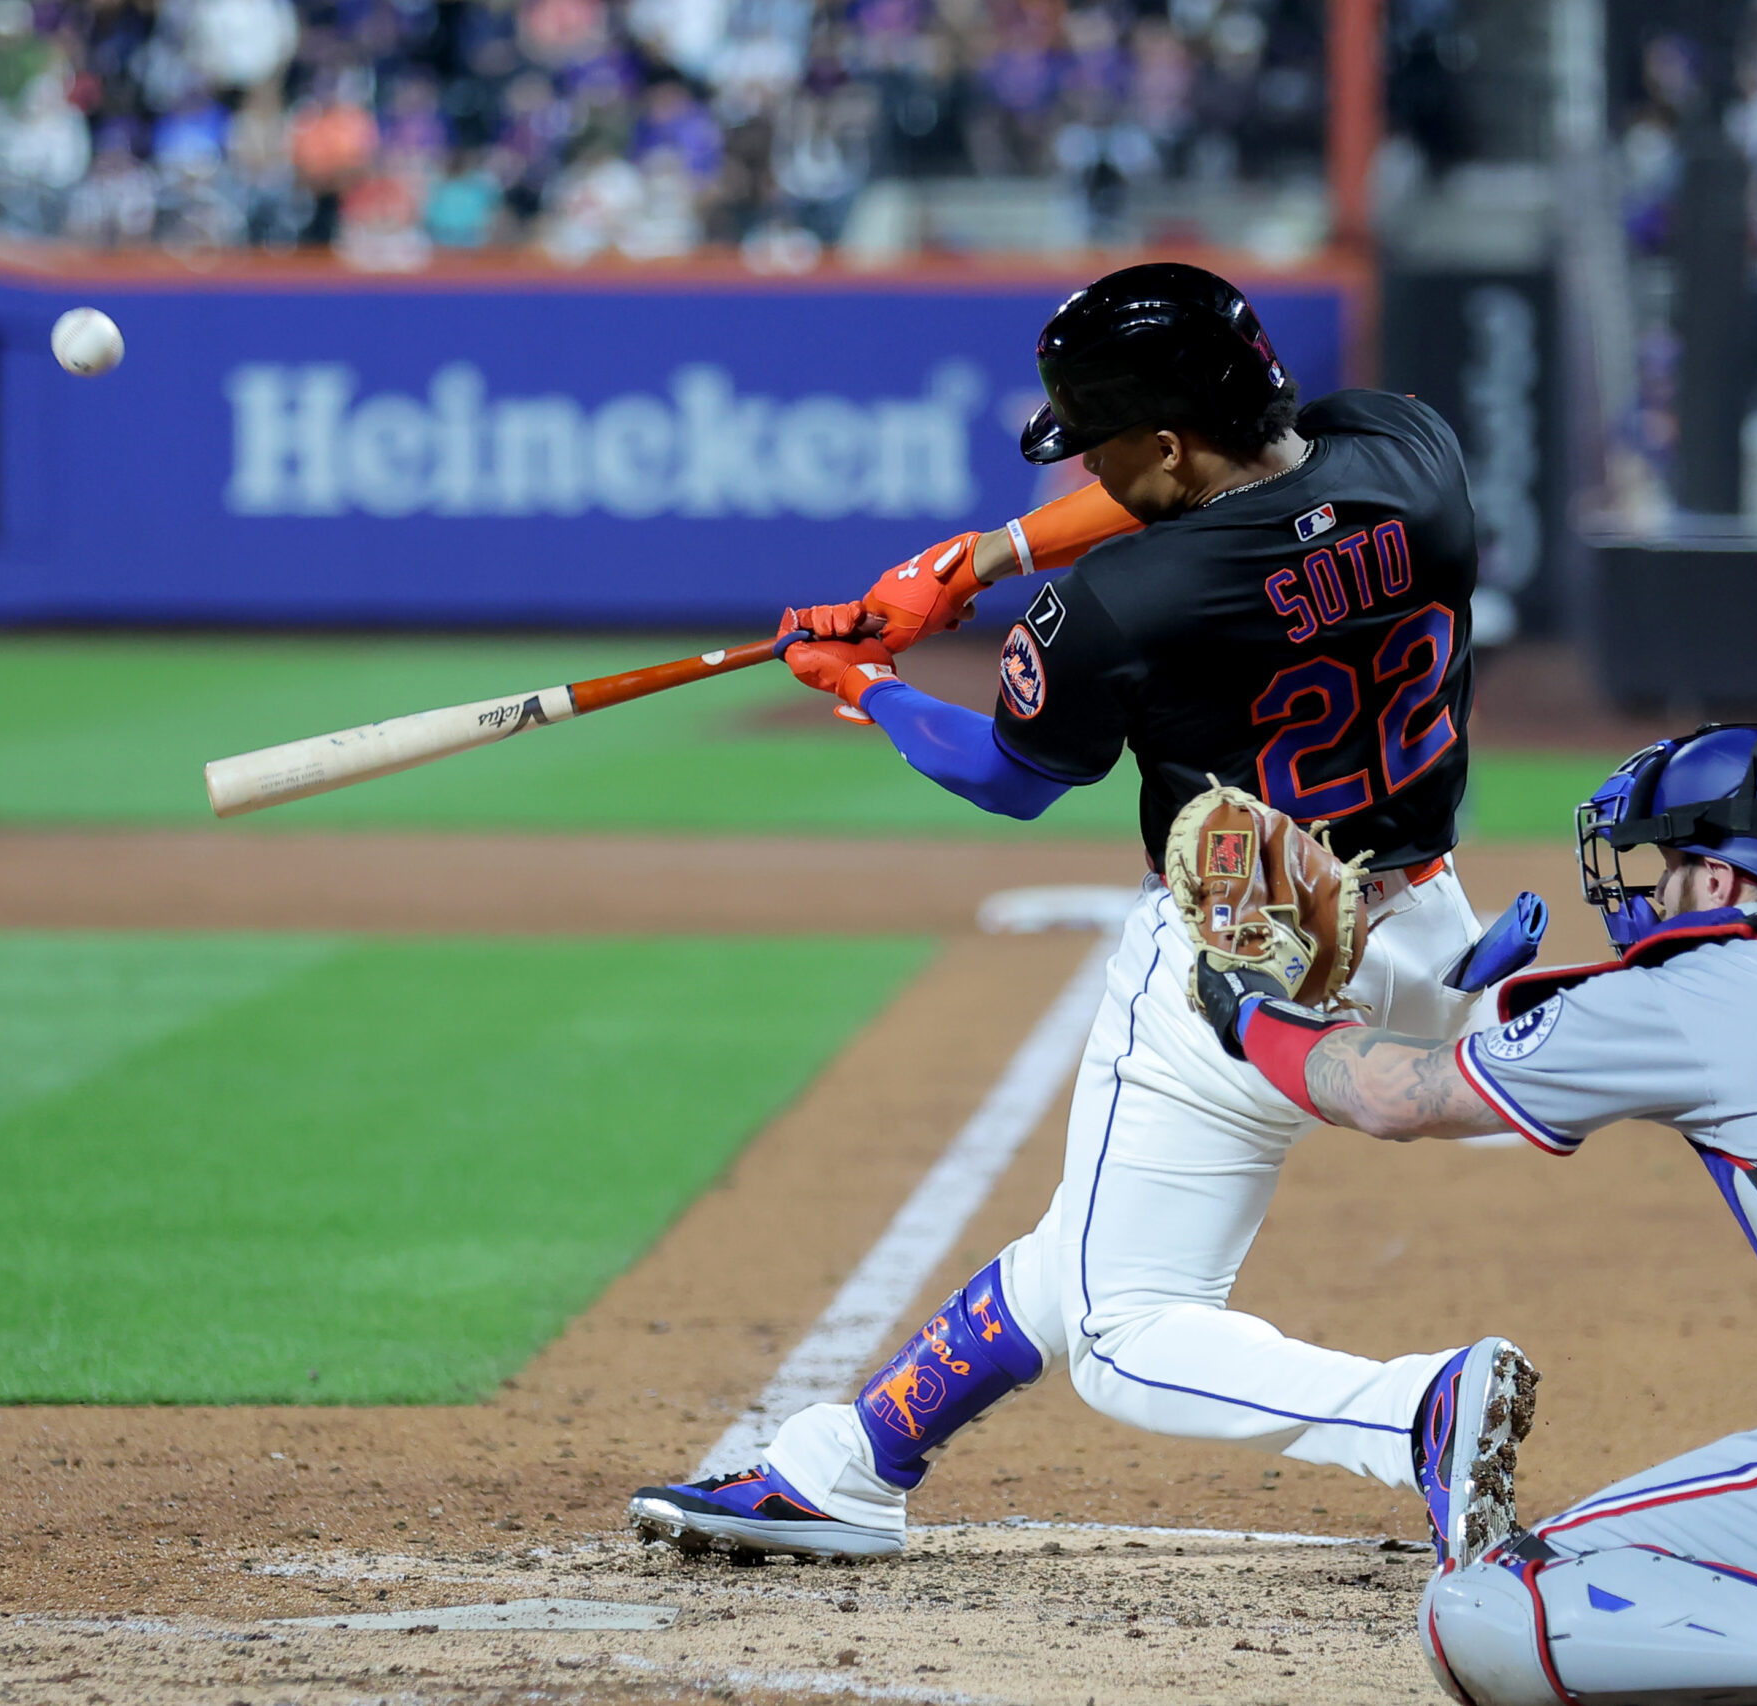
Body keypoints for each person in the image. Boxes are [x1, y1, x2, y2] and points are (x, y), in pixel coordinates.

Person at [629, 261, 1551, 1569]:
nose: (1091, 475)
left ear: (1166, 439)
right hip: (1424, 931)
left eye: (1105, 446)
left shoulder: (1118, 606)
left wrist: (868, 685)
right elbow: (1260, 479)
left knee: (1128, 1330)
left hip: (1242, 958)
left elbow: (1010, 777)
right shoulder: (1417, 452)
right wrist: (979, 559)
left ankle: (1412, 1411)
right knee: (1094, 1240)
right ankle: (849, 1463)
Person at [1197, 723, 1757, 1706]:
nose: (1649, 889)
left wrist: (1251, 1008)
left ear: (1716, 881)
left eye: (1665, 865)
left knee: (1488, 1603)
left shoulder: (1697, 986)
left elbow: (1394, 1093)